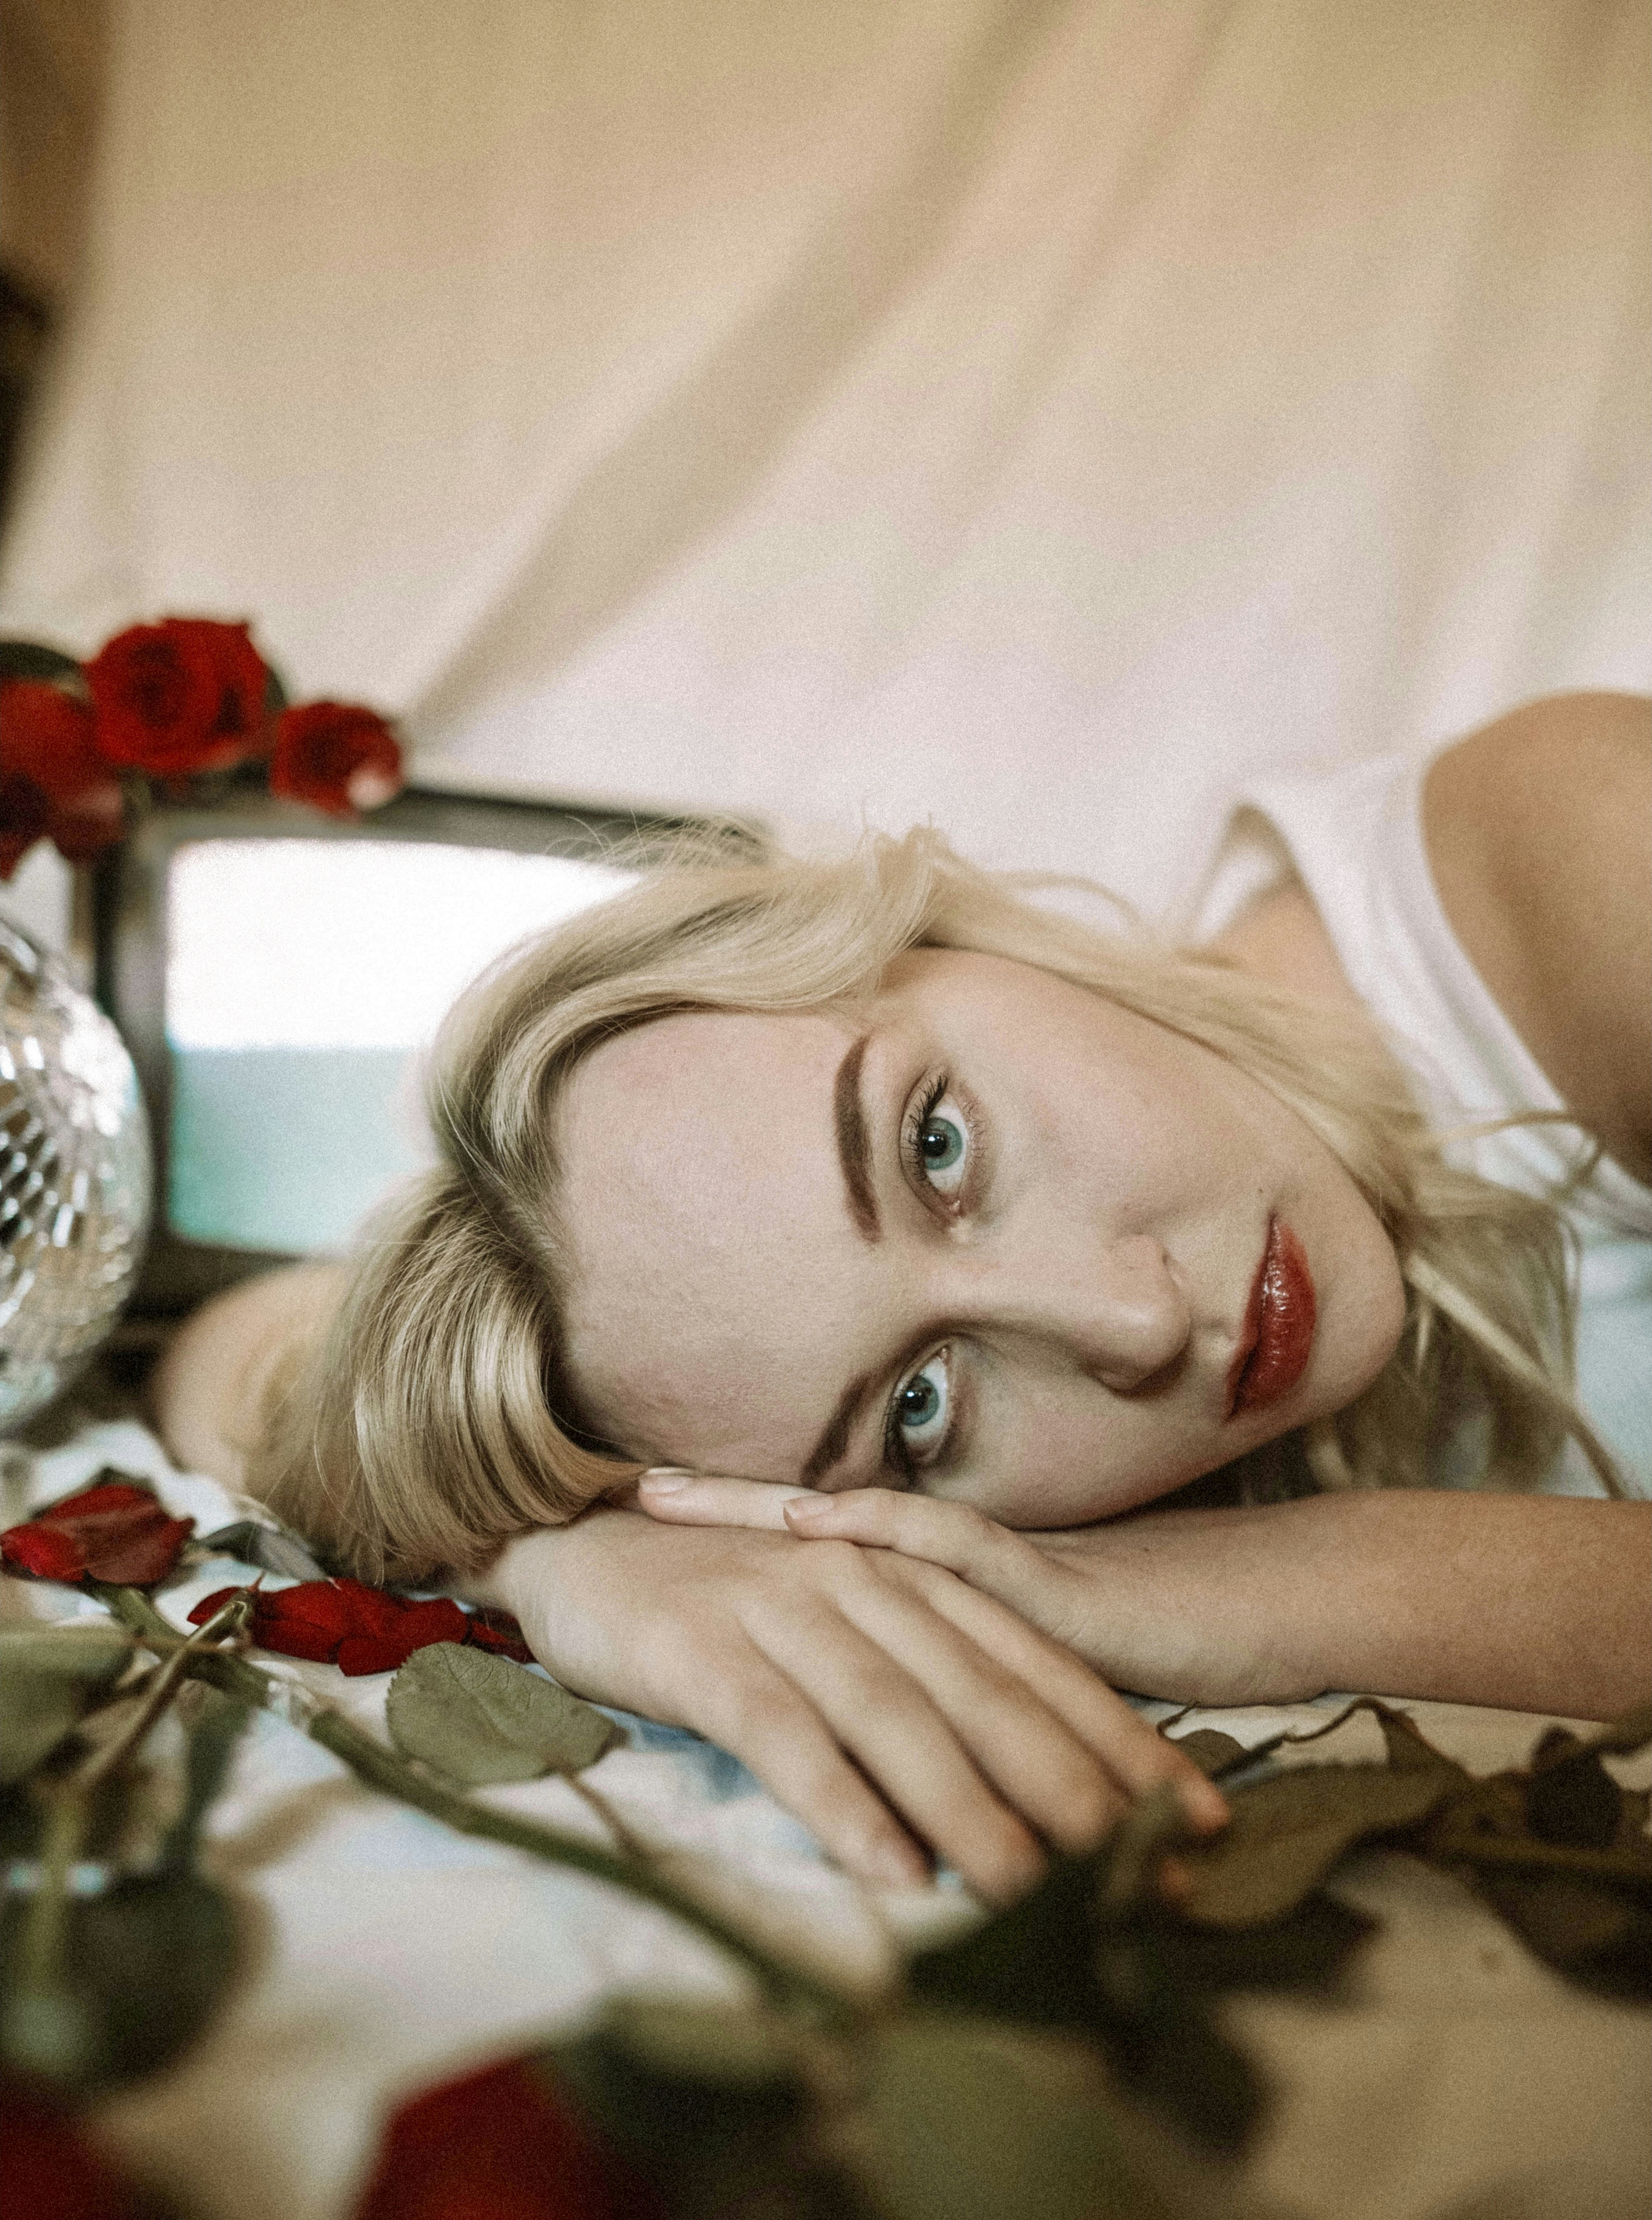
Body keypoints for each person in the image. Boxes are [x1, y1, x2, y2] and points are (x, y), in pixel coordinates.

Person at [154, 692, 1650, 1902]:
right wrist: (575, 1559)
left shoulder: (1573, 869)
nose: (1129, 1326)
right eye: (921, 1412)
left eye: (936, 1144)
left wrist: (1206, 1594)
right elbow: (245, 1354)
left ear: (932, 935)